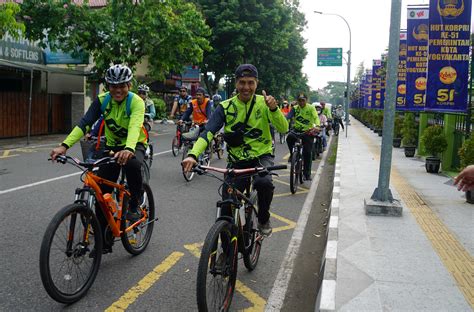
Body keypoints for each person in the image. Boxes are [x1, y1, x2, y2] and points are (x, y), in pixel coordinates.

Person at [50, 64, 148, 253]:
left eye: (122, 86)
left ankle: (135, 204)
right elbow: (85, 123)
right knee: (102, 194)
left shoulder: (136, 102)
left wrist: (128, 149)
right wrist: (64, 146)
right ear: (107, 86)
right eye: (113, 86)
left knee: (133, 164)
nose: (117, 90)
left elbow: (135, 126)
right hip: (112, 148)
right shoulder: (102, 101)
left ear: (129, 85)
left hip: (134, 145)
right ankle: (105, 241)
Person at [182, 64, 288, 236]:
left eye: (250, 83)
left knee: (264, 183)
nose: (246, 87)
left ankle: (263, 218)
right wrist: (193, 155)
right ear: (236, 83)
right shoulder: (225, 106)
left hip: (262, 156)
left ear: (256, 83)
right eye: (242, 82)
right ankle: (225, 255)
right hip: (236, 161)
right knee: (226, 210)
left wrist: (274, 109)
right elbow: (208, 132)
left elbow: (283, 129)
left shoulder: (265, 104)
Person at [286, 94, 320, 181]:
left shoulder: (311, 108)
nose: (301, 102)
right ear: (297, 101)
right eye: (300, 100)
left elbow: (316, 117)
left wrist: (317, 126)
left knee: (308, 153)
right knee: (289, 137)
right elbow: (288, 116)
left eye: (303, 100)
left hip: (308, 132)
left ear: (306, 100)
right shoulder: (295, 108)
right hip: (296, 130)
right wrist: (283, 120)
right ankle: (292, 154)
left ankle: (307, 174)